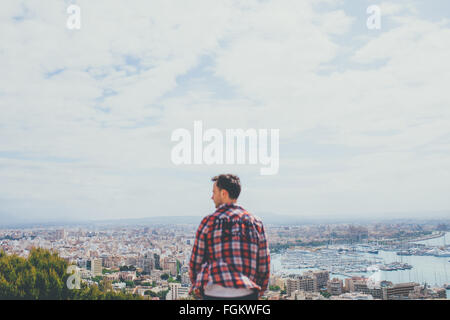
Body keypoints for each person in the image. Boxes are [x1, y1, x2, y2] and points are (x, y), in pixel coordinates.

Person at [189, 174, 270, 300]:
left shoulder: (208, 222)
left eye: (214, 192)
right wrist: (259, 292)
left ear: (223, 194)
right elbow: (264, 265)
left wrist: (198, 287)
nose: (212, 197)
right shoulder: (256, 223)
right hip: (246, 292)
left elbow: (195, 263)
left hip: (213, 292)